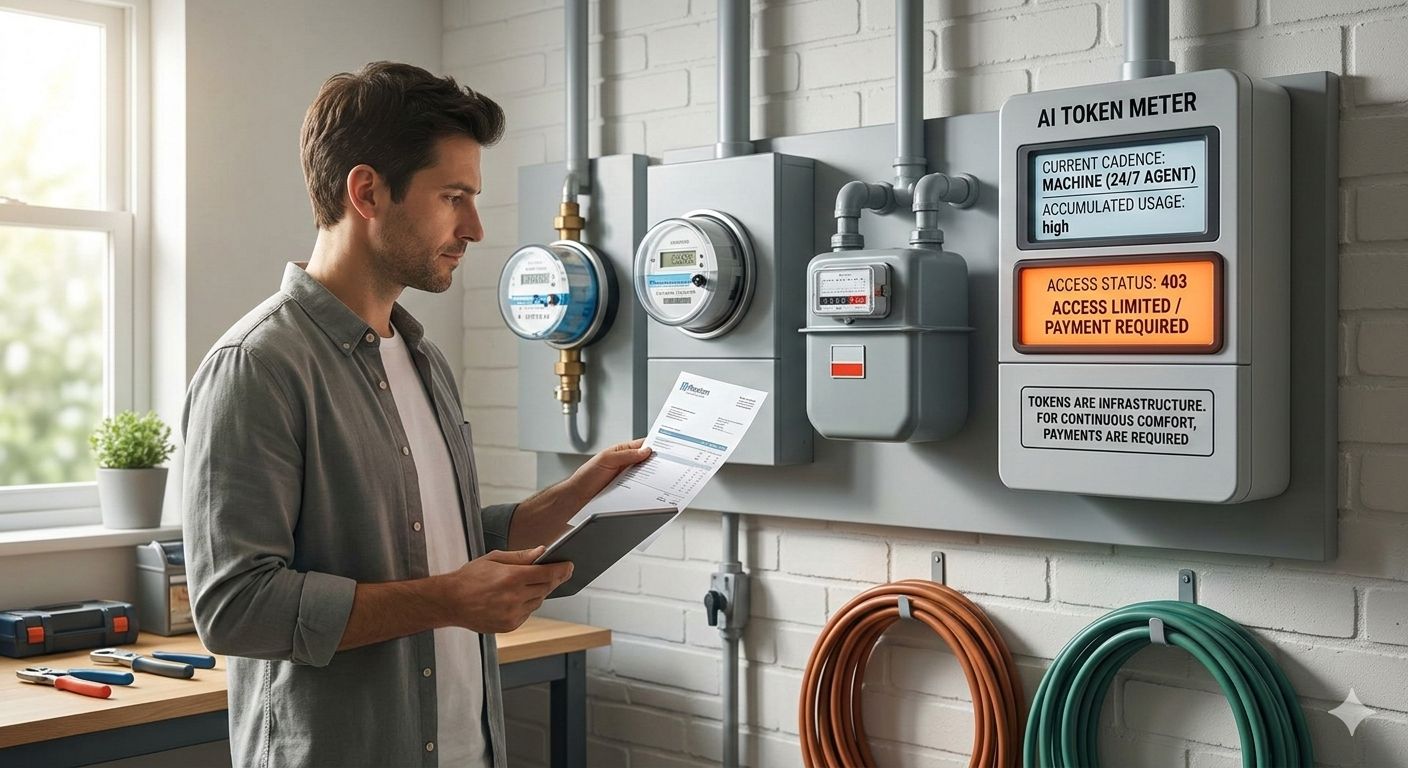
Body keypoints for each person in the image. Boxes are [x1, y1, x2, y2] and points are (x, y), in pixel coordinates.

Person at [181, 61, 650, 768]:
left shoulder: (422, 357)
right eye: (453, 196)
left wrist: (573, 497)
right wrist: (443, 602)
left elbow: (438, 547)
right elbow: (234, 606)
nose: (475, 226)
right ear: (367, 191)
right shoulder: (258, 365)